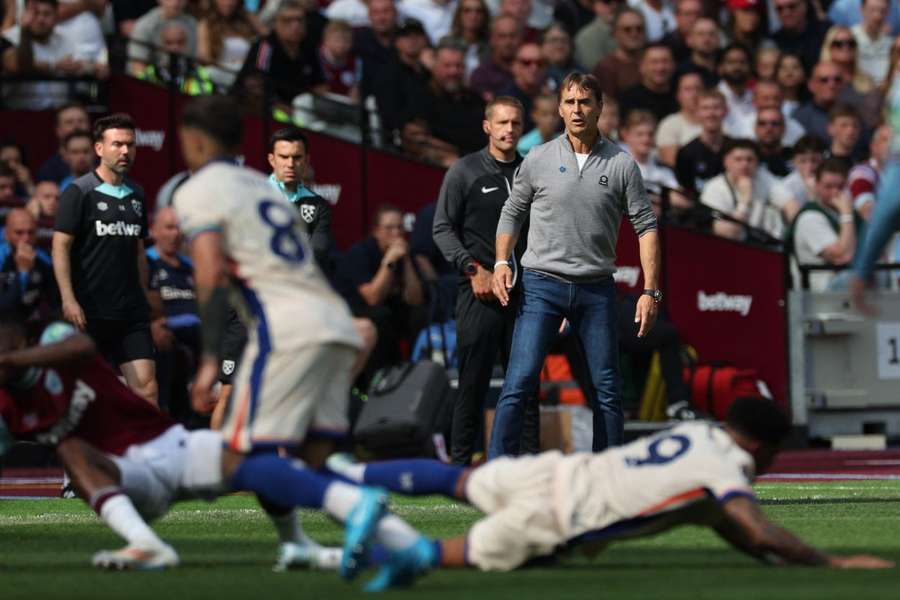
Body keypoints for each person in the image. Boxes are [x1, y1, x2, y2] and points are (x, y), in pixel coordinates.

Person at [171, 95, 424, 580]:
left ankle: (356, 504)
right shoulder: (272, 194)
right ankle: (402, 546)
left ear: (196, 141)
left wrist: (206, 359)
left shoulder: (199, 190)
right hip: (332, 323)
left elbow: (207, 276)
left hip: (284, 330)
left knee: (236, 457)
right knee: (312, 457)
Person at [0, 316, 423, 579]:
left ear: (18, 341)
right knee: (67, 445)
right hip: (127, 479)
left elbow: (82, 345)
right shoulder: (5, 403)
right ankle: (145, 543)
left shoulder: (55, 340)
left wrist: (18, 363)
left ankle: (304, 543)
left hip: (169, 444)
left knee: (258, 457)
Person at [325, 395, 893, 590]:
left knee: (456, 477)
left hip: (554, 472)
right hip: (563, 515)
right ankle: (324, 555)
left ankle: (342, 476)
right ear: (762, 447)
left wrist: (769, 560)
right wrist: (828, 562)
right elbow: (754, 525)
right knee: (440, 554)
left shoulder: (698, 433)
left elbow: (727, 528)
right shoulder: (729, 468)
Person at [489, 72, 660, 458]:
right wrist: (501, 260)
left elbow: (646, 226)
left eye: (585, 102)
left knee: (606, 388)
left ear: (599, 107)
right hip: (541, 284)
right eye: (569, 102)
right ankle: (497, 469)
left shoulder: (621, 164)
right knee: (519, 380)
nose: (577, 109)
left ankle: (609, 472)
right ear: (560, 109)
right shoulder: (538, 157)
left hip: (596, 287)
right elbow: (512, 211)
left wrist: (651, 290)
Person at [432, 96, 538, 465]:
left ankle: (527, 466)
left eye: (516, 124)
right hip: (479, 291)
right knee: (472, 383)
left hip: (525, 293)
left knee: (525, 384)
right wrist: (473, 269)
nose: (509, 130)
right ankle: (459, 466)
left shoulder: (530, 172)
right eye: (503, 123)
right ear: (487, 126)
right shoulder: (464, 171)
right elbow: (442, 229)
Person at [52, 113, 158, 407]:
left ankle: (143, 452)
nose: (125, 151)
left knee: (147, 389)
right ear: (99, 148)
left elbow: (138, 250)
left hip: (131, 313)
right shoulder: (79, 191)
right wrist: (68, 299)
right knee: (84, 393)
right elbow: (60, 247)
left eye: (130, 145)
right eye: (117, 144)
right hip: (90, 310)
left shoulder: (137, 193)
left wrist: (144, 291)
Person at [337, 204, 425, 374]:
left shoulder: (404, 252)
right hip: (355, 311)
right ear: (376, 231)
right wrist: (389, 261)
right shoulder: (360, 253)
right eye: (389, 228)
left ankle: (415, 372)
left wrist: (406, 261)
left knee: (418, 314)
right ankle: (377, 377)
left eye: (400, 227)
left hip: (389, 309)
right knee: (381, 316)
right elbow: (373, 298)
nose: (396, 233)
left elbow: (416, 298)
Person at [233, 0, 327, 110]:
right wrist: (280, 107)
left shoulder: (310, 48)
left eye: (299, 20)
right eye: (288, 21)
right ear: (276, 24)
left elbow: (321, 84)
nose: (295, 26)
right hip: (262, 110)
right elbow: (254, 83)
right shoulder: (265, 46)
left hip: (301, 110)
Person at [267, 127, 335, 276]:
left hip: (299, 286)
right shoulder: (256, 195)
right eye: (284, 157)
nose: (290, 164)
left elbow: (318, 254)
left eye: (297, 157)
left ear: (306, 160)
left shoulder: (319, 205)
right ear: (272, 160)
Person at [700, 138, 796, 242]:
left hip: (762, 245)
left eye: (750, 159)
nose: (744, 164)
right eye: (738, 159)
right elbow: (725, 233)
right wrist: (744, 201)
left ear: (757, 163)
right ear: (726, 162)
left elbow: (791, 205)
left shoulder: (762, 177)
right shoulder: (714, 188)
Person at [405, 38, 487, 157]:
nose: (453, 72)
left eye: (458, 66)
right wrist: (454, 156)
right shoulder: (420, 96)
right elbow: (415, 139)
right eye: (447, 66)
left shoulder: (475, 99)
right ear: (435, 66)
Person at [1, 0, 85, 109]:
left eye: (46, 14)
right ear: (25, 13)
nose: (41, 19)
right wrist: (54, 66)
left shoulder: (66, 40)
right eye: (35, 13)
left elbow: (81, 64)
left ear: (56, 16)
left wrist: (93, 67)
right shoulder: (10, 37)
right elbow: (20, 65)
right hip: (21, 113)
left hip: (60, 112)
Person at [0, 207, 57, 321]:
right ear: (7, 233)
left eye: (31, 232)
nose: (26, 238)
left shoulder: (44, 259)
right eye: (19, 233)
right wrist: (23, 272)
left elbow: (55, 300)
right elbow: (5, 308)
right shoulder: (2, 258)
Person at [196, 0, 261, 89]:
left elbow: (268, 38)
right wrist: (232, 65)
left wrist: (251, 18)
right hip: (219, 77)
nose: (228, 3)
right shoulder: (206, 24)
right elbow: (205, 59)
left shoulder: (246, 21)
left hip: (246, 77)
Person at [675, 89, 729, 195]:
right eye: (705, 108)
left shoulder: (735, 149)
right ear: (697, 112)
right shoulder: (686, 153)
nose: (711, 113)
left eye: (716, 108)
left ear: (725, 111)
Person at [127, 0, 199, 77]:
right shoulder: (144, 26)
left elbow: (197, 65)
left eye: (180, 42)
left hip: (186, 82)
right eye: (169, 43)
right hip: (152, 84)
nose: (176, 2)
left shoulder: (193, 24)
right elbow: (137, 69)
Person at [618, 42, 679, 123]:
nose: (660, 67)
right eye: (654, 62)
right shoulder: (628, 99)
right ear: (642, 66)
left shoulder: (681, 96)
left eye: (665, 61)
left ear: (674, 65)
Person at [592, 8, 645, 101]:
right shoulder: (606, 68)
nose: (634, 33)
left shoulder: (653, 63)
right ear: (615, 33)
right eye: (627, 29)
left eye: (639, 29)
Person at [499, 41, 553, 131]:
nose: (534, 68)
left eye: (539, 63)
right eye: (526, 63)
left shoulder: (552, 98)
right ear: (514, 66)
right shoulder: (504, 101)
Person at [655, 71, 703, 167]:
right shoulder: (669, 124)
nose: (694, 94)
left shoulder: (717, 122)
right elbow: (672, 163)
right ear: (678, 95)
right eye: (688, 89)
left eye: (698, 88)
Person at [469, 14, 522, 101]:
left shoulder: (532, 68)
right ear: (492, 39)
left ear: (520, 38)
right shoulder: (481, 76)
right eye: (502, 36)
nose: (508, 42)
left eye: (512, 36)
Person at [36, 102, 91, 185]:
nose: (76, 126)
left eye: (81, 121)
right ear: (58, 130)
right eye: (69, 122)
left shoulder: (104, 163)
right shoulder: (48, 171)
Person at [771, 0, 830, 71]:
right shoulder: (773, 41)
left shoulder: (826, 33)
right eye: (779, 9)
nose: (786, 13)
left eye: (792, 7)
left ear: (805, 6)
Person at [318, 19, 363, 101]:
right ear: (326, 41)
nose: (342, 45)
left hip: (345, 106)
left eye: (346, 40)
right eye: (337, 40)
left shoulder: (356, 62)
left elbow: (355, 92)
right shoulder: (317, 59)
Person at [851, 0, 892, 86]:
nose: (877, 15)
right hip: (856, 91)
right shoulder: (849, 39)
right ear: (862, 9)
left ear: (888, 12)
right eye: (872, 10)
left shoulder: (891, 43)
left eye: (882, 11)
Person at [573, 0, 618, 71]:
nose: (614, 6)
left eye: (620, 1)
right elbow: (596, 70)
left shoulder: (633, 28)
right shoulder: (587, 36)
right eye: (607, 2)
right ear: (595, 5)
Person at [675, 17, 719, 87]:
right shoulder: (680, 72)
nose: (707, 39)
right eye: (700, 34)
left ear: (718, 39)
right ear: (689, 40)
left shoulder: (726, 69)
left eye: (711, 34)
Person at [27, 179, 59, 252]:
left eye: (57, 198)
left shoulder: (63, 222)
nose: (53, 201)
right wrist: (31, 217)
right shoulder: (20, 219)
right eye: (47, 196)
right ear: (34, 199)